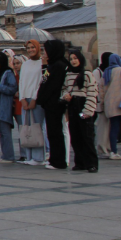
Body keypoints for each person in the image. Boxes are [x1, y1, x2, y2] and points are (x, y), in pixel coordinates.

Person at [63, 51, 99, 172]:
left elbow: (92, 93)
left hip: (83, 105)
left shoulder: (87, 74)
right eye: (71, 58)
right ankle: (80, 162)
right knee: (76, 136)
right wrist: (65, 96)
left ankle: (92, 163)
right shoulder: (68, 75)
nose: (73, 61)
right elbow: (64, 89)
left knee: (87, 136)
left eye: (75, 58)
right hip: (73, 106)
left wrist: (87, 111)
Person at [38, 40, 69, 170]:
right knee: (51, 132)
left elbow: (52, 86)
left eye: (46, 50)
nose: (44, 53)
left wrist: (43, 98)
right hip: (49, 104)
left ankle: (59, 161)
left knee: (56, 133)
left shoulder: (59, 65)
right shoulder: (52, 65)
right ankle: (54, 159)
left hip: (54, 104)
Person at [18, 41, 45, 165]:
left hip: (36, 99)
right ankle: (29, 156)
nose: (30, 50)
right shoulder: (25, 64)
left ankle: (38, 157)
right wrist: (22, 98)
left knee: (36, 128)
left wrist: (34, 98)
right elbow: (22, 81)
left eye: (33, 47)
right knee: (26, 128)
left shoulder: (42, 63)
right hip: (25, 99)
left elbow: (40, 82)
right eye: (28, 48)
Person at [102, 53, 121, 160]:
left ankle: (113, 152)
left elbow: (102, 90)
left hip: (110, 105)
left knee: (114, 128)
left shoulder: (106, 72)